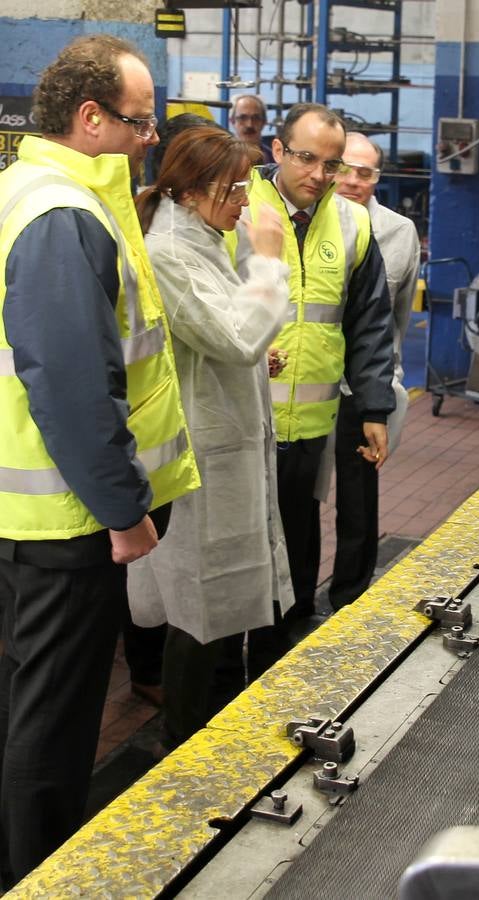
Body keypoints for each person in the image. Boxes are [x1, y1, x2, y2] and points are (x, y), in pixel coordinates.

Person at [0, 34, 200, 886]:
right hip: (62, 520)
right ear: (90, 119)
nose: (151, 137)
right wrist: (124, 510)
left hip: (25, 510)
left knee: (20, 708)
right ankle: (44, 876)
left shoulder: (23, 189)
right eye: (140, 121)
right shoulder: (64, 217)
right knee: (53, 725)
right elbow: (76, 387)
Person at [128, 126, 294, 750]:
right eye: (235, 189)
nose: (245, 203)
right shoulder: (170, 250)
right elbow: (232, 336)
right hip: (200, 451)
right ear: (193, 189)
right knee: (197, 608)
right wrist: (270, 261)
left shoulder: (201, 236)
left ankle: (207, 729)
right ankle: (181, 743)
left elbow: (222, 338)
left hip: (220, 437)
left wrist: (255, 359)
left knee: (217, 603)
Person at [248, 103, 396, 619]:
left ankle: (282, 647)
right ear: (278, 150)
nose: (319, 175)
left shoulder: (352, 222)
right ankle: (224, 673)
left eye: (330, 164)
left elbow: (370, 323)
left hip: (311, 424)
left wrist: (375, 408)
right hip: (244, 419)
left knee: (299, 537)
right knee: (239, 545)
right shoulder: (238, 207)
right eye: (306, 159)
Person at [326, 133, 421, 608]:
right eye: (343, 168)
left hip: (363, 388)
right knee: (297, 496)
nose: (352, 181)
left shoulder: (400, 233)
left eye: (365, 172)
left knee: (359, 501)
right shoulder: (313, 221)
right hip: (309, 384)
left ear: (377, 178)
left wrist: (383, 385)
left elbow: (397, 317)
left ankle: (350, 600)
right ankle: (295, 602)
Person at [231, 94, 274, 165]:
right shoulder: (221, 159)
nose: (249, 124)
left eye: (256, 118)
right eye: (243, 117)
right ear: (232, 121)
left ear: (264, 121)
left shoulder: (274, 160)